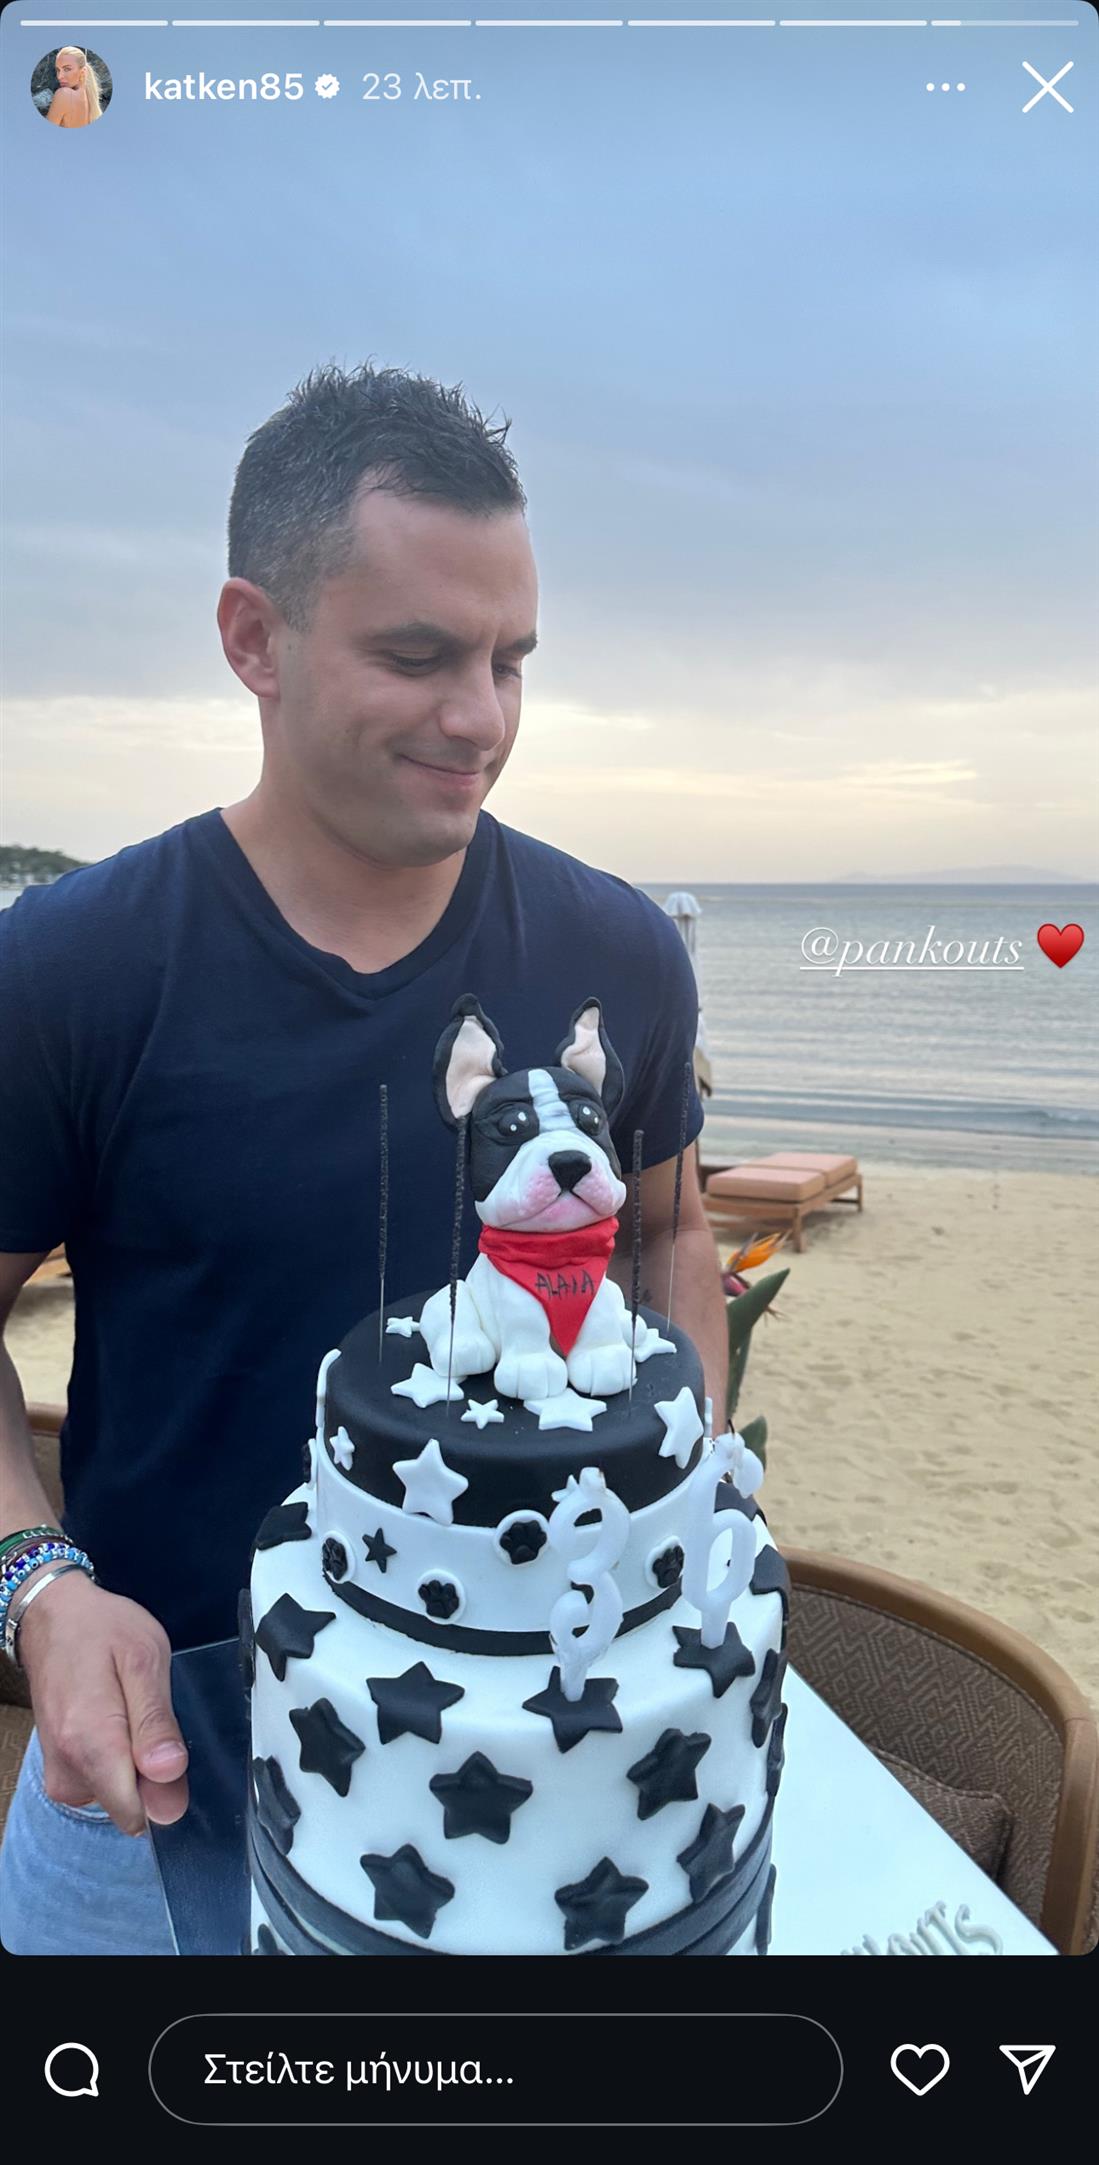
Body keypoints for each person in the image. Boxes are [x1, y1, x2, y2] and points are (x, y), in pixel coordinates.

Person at [0, 363, 727, 1953]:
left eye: (509, 660)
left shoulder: (621, 954)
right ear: (251, 639)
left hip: (563, 1783)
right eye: (416, 656)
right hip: (159, 1776)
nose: (481, 718)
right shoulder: (70, 970)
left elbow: (670, 1234)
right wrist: (38, 1584)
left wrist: (682, 1472)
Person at [45, 47, 102, 128]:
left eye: (67, 69)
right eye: (58, 70)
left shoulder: (63, 94)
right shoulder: (90, 100)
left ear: (82, 72)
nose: (59, 76)